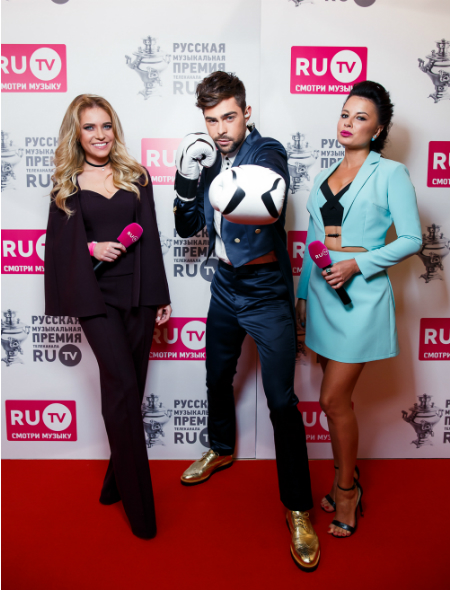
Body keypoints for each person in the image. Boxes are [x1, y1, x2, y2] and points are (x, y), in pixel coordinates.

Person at [173, 72, 320, 572]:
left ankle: (298, 508)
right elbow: (187, 229)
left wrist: (224, 179)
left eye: (229, 117)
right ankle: (221, 449)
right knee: (217, 375)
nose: (220, 129)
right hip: (225, 288)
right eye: (211, 120)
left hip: (265, 292)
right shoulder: (206, 158)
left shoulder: (267, 151)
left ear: (246, 113)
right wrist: (187, 180)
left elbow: (268, 201)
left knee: (281, 400)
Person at [296, 81, 422, 538]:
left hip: (362, 297)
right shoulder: (321, 177)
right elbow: (313, 242)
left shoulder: (390, 173)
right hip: (322, 296)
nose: (349, 123)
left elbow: (412, 239)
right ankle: (341, 477)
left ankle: (347, 491)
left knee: (332, 400)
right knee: (336, 403)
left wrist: (358, 264)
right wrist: (304, 295)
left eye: (361, 117)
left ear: (379, 129)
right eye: (345, 114)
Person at [44, 94, 171, 539]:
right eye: (89, 128)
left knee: (129, 390)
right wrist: (91, 247)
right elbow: (57, 247)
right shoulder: (67, 184)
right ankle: (142, 512)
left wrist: (159, 296)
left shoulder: (136, 175)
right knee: (120, 387)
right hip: (95, 297)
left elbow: (150, 237)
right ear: (76, 134)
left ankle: (114, 484)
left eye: (105, 126)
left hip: (138, 295)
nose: (99, 135)